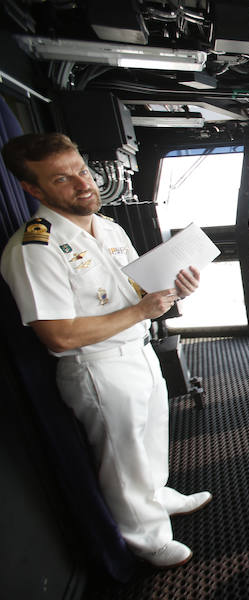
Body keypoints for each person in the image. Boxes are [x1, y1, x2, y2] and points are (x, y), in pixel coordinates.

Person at [0, 133, 211, 569]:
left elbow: (135, 287)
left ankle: (156, 497)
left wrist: (174, 288)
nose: (83, 184)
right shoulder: (33, 249)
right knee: (122, 456)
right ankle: (145, 539)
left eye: (82, 169)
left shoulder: (109, 227)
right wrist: (141, 309)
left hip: (137, 349)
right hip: (96, 367)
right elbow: (57, 335)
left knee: (151, 437)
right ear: (32, 189)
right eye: (62, 179)